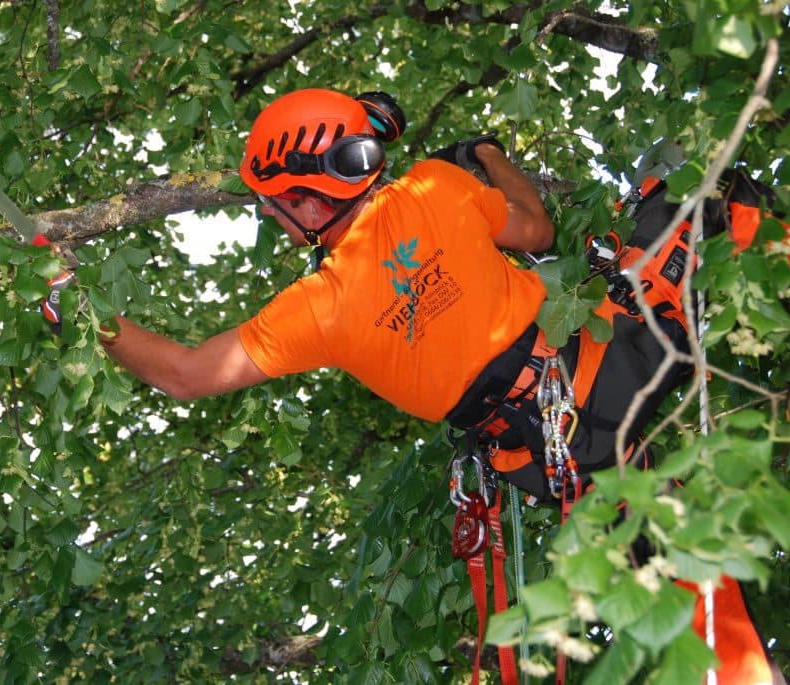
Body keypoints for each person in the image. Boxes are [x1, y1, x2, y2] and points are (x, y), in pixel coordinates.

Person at [97, 88, 782, 684]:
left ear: (306, 203)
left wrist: (80, 309)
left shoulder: (318, 307)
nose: (274, 218)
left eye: (274, 206)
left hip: (550, 457)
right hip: (607, 372)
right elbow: (536, 227)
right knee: (691, 187)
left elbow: (184, 374)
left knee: (672, 552)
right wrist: (486, 154)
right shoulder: (434, 186)